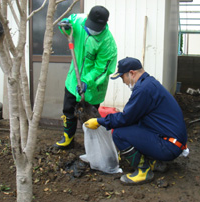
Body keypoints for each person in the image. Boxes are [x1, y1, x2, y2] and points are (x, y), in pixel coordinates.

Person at [85, 57, 188, 185]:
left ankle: (143, 171)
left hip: (169, 146)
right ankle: (154, 162)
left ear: (132, 73)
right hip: (174, 142)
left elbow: (125, 118)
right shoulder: (149, 84)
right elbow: (133, 117)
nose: (123, 82)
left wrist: (100, 121)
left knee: (119, 133)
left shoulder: (143, 90)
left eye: (123, 77)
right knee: (135, 125)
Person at [53, 6, 117, 149]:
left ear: (105, 24)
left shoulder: (108, 43)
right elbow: (68, 22)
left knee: (90, 118)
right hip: (73, 79)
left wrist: (87, 81)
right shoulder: (80, 20)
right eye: (91, 26)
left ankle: (95, 146)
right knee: (68, 110)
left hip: (94, 86)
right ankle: (68, 138)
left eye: (96, 28)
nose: (92, 30)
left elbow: (102, 69)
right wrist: (65, 24)